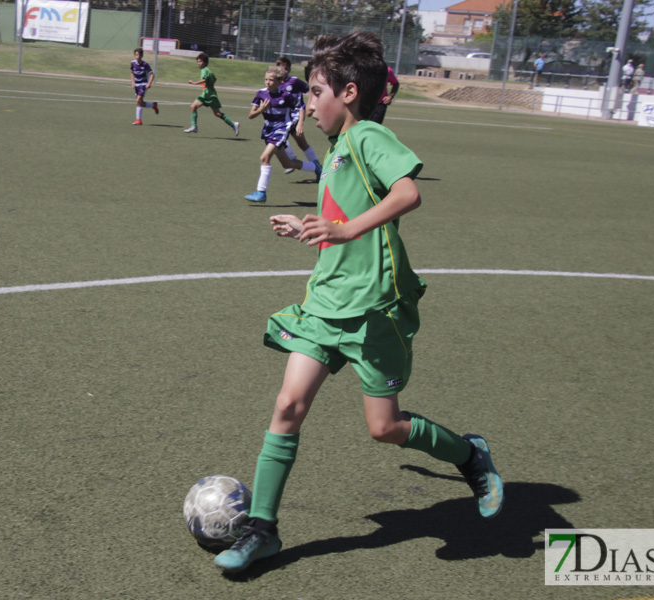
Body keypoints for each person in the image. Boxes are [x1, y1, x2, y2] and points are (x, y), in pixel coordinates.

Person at [212, 31, 504, 575]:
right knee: (287, 406)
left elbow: (407, 194)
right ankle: (263, 529)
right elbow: (344, 218)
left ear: (348, 93)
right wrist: (310, 226)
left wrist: (343, 233)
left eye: (316, 90)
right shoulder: (336, 150)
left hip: (376, 312)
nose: (308, 102)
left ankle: (469, 455)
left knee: (384, 429)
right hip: (326, 304)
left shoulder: (367, 135)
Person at [244, 65, 322, 203]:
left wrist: (299, 124)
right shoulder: (261, 94)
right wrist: (261, 109)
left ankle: (261, 192)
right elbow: (250, 115)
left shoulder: (286, 96)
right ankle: (317, 168)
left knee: (264, 157)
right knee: (288, 164)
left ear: (280, 81)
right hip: (268, 130)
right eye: (266, 79)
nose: (267, 82)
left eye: (271, 80)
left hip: (281, 130)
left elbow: (300, 108)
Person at [274, 57, 320, 176]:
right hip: (284, 117)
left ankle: (316, 168)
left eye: (287, 68)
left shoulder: (294, 81)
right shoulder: (276, 83)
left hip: (295, 116)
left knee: (295, 141)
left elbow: (309, 89)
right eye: (282, 68)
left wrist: (310, 103)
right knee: (290, 141)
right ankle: (293, 161)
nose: (285, 71)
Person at [184, 53, 239, 136]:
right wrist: (210, 85)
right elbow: (214, 78)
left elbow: (204, 79)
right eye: (197, 62)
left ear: (205, 62)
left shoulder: (204, 70)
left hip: (208, 95)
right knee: (216, 113)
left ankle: (194, 126)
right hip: (209, 94)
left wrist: (194, 83)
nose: (198, 63)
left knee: (194, 107)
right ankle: (233, 124)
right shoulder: (208, 70)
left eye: (200, 61)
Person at [130, 48, 159, 125]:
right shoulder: (132, 63)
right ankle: (153, 105)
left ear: (142, 56)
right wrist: (133, 82)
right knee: (140, 103)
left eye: (139, 55)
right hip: (136, 85)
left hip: (143, 85)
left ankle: (138, 120)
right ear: (134, 55)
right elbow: (132, 72)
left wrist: (149, 83)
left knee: (138, 100)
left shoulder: (145, 64)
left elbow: (152, 74)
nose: (137, 56)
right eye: (136, 54)